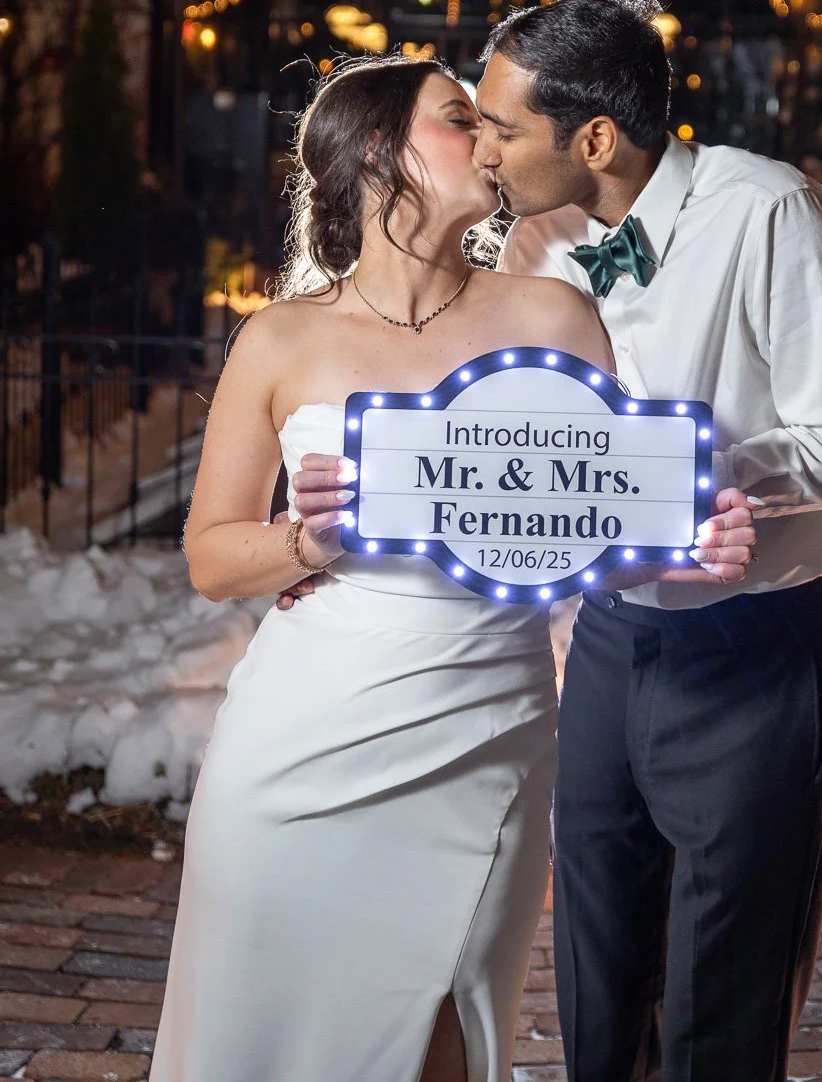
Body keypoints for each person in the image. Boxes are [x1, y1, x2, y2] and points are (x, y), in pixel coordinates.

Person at [153, 54, 664, 1082]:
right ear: (382, 154)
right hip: (300, 743)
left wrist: (691, 533)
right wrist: (306, 541)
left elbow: (610, 513)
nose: (490, 140)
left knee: (440, 1027)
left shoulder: (552, 319)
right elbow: (212, 555)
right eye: (459, 119)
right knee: (262, 1030)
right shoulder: (281, 338)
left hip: (483, 729)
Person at [471, 0, 822, 1082]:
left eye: (503, 128)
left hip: (752, 644)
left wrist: (696, 477)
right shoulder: (535, 239)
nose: (486, 150)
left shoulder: (770, 211)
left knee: (726, 972)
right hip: (609, 640)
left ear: (594, 139)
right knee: (597, 952)